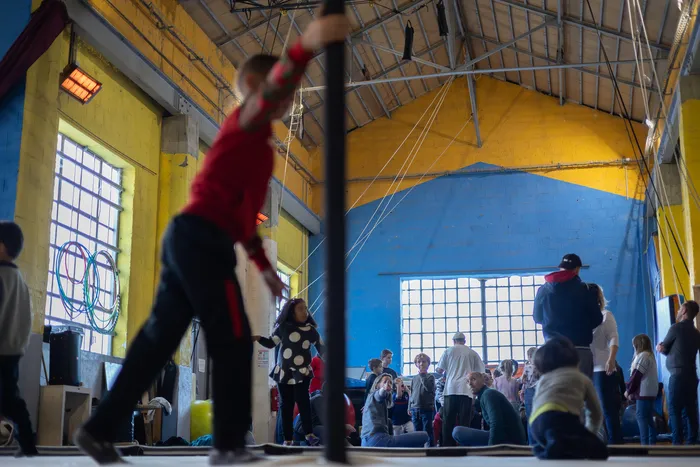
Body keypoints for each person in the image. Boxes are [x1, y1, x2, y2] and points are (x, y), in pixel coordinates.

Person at [74, 13, 349, 465]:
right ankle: (228, 445)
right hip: (202, 241)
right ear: (263, 88)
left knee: (159, 340)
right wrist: (307, 45)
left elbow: (246, 223)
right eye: (286, 89)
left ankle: (99, 429)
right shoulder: (247, 122)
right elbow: (276, 86)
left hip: (191, 238)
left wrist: (265, 271)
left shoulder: (257, 148)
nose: (290, 96)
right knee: (235, 339)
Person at [254, 298, 324, 446]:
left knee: (303, 402)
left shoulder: (311, 331)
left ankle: (309, 434)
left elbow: (322, 350)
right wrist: (259, 338)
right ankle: (287, 439)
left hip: (302, 373)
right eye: (300, 309)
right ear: (292, 312)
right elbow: (271, 343)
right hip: (284, 373)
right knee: (286, 405)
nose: (305, 312)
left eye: (305, 309)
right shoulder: (284, 328)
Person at [529, 336, 607, 460]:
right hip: (561, 420)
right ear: (576, 359)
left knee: (565, 444)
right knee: (600, 451)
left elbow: (536, 403)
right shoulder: (581, 378)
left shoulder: (543, 379)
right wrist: (589, 433)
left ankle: (546, 446)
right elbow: (595, 412)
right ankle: (554, 446)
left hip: (535, 424)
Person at [533, 254, 603, 378]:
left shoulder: (543, 290)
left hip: (553, 351)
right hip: (580, 349)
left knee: (557, 393)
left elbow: (537, 318)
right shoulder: (586, 290)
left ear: (561, 268)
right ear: (577, 269)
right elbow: (597, 319)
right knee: (581, 394)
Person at [0, 221, 37, 456]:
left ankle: (28, 443)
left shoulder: (1, 276)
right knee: (11, 398)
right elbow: (27, 316)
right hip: (13, 350)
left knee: (9, 399)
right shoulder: (20, 280)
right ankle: (28, 442)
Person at [656, 300, 700, 445]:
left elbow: (664, 348)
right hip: (692, 375)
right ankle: (692, 442)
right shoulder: (696, 333)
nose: (678, 311)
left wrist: (659, 348)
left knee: (674, 409)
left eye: (680, 308)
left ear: (685, 311)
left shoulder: (675, 328)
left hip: (678, 376)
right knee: (690, 411)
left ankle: (677, 443)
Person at [437, 332, 485, 446]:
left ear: (453, 341)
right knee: (464, 422)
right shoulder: (472, 353)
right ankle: (464, 446)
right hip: (466, 390)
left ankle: (447, 448)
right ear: (464, 341)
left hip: (450, 389)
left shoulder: (448, 351)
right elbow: (481, 372)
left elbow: (439, 370)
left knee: (448, 422)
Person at [452, 372, 526, 446]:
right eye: (467, 382)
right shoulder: (483, 396)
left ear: (483, 380)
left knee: (457, 431)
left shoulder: (488, 394)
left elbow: (496, 423)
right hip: (506, 437)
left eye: (473, 379)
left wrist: (491, 449)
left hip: (510, 440)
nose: (470, 384)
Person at [588, 283, 622, 444]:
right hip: (587, 369)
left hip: (602, 368)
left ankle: (616, 444)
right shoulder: (582, 317)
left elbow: (614, 338)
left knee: (607, 409)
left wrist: (611, 359)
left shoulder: (606, 315)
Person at [361, 374, 429, 447]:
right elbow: (380, 394)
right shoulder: (376, 395)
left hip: (366, 442)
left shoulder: (370, 399)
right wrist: (384, 388)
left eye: (390, 383)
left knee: (389, 421)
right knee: (424, 435)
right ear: (377, 385)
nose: (388, 384)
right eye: (385, 382)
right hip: (377, 440)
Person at [625, 334, 658, 445]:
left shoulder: (643, 356)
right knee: (648, 418)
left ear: (637, 345)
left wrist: (628, 390)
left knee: (641, 417)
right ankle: (652, 443)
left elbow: (636, 376)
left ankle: (644, 444)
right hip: (651, 392)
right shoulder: (650, 355)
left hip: (644, 392)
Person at [410, 353, 436, 446]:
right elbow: (412, 392)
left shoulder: (430, 377)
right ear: (416, 364)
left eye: (424, 362)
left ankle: (430, 452)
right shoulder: (414, 378)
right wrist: (410, 406)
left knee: (428, 432)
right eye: (419, 362)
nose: (421, 364)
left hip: (426, 409)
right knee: (417, 433)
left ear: (428, 363)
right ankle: (418, 451)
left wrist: (423, 376)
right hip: (415, 408)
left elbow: (429, 388)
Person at [520, 347, 539, 445]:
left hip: (530, 392)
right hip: (540, 391)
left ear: (530, 356)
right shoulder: (542, 366)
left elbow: (523, 381)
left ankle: (532, 444)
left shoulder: (527, 367)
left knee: (530, 420)